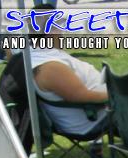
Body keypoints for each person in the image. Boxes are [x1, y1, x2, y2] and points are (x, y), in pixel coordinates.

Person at [29, 4, 108, 137]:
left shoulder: (33, 53)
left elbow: (9, 47)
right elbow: (81, 96)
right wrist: (116, 96)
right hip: (91, 120)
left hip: (92, 112)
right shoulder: (50, 67)